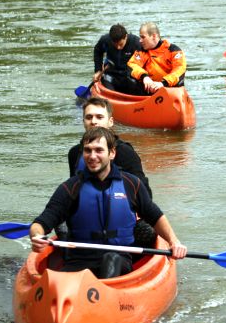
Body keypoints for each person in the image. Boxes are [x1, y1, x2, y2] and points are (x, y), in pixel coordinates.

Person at [30, 127, 187, 279]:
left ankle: (105, 297)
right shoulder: (70, 188)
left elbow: (155, 216)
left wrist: (174, 242)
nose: (92, 156)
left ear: (112, 153)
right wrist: (37, 236)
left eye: (99, 150)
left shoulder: (131, 184)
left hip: (119, 260)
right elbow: (42, 222)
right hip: (79, 261)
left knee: (111, 259)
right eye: (88, 150)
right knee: (60, 279)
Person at [57, 97, 156, 246]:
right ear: (83, 121)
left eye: (99, 117)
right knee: (61, 226)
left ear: (110, 122)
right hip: (88, 217)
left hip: (120, 218)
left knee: (146, 231)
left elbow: (144, 196)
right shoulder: (75, 153)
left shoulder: (125, 153)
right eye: (89, 117)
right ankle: (71, 258)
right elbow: (72, 193)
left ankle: (130, 260)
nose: (94, 121)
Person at [126, 22, 186, 96]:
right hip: (149, 92)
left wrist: (163, 83)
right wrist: (144, 76)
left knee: (179, 79)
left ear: (154, 36)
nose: (140, 40)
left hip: (170, 91)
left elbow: (180, 69)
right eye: (140, 37)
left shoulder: (173, 50)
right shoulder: (141, 52)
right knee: (130, 79)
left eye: (143, 37)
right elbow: (132, 65)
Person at [93, 24, 141, 93]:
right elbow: (97, 51)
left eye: (121, 44)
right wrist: (98, 70)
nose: (118, 47)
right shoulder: (105, 40)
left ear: (126, 37)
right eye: (115, 44)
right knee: (108, 91)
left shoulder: (136, 43)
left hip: (129, 76)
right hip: (111, 75)